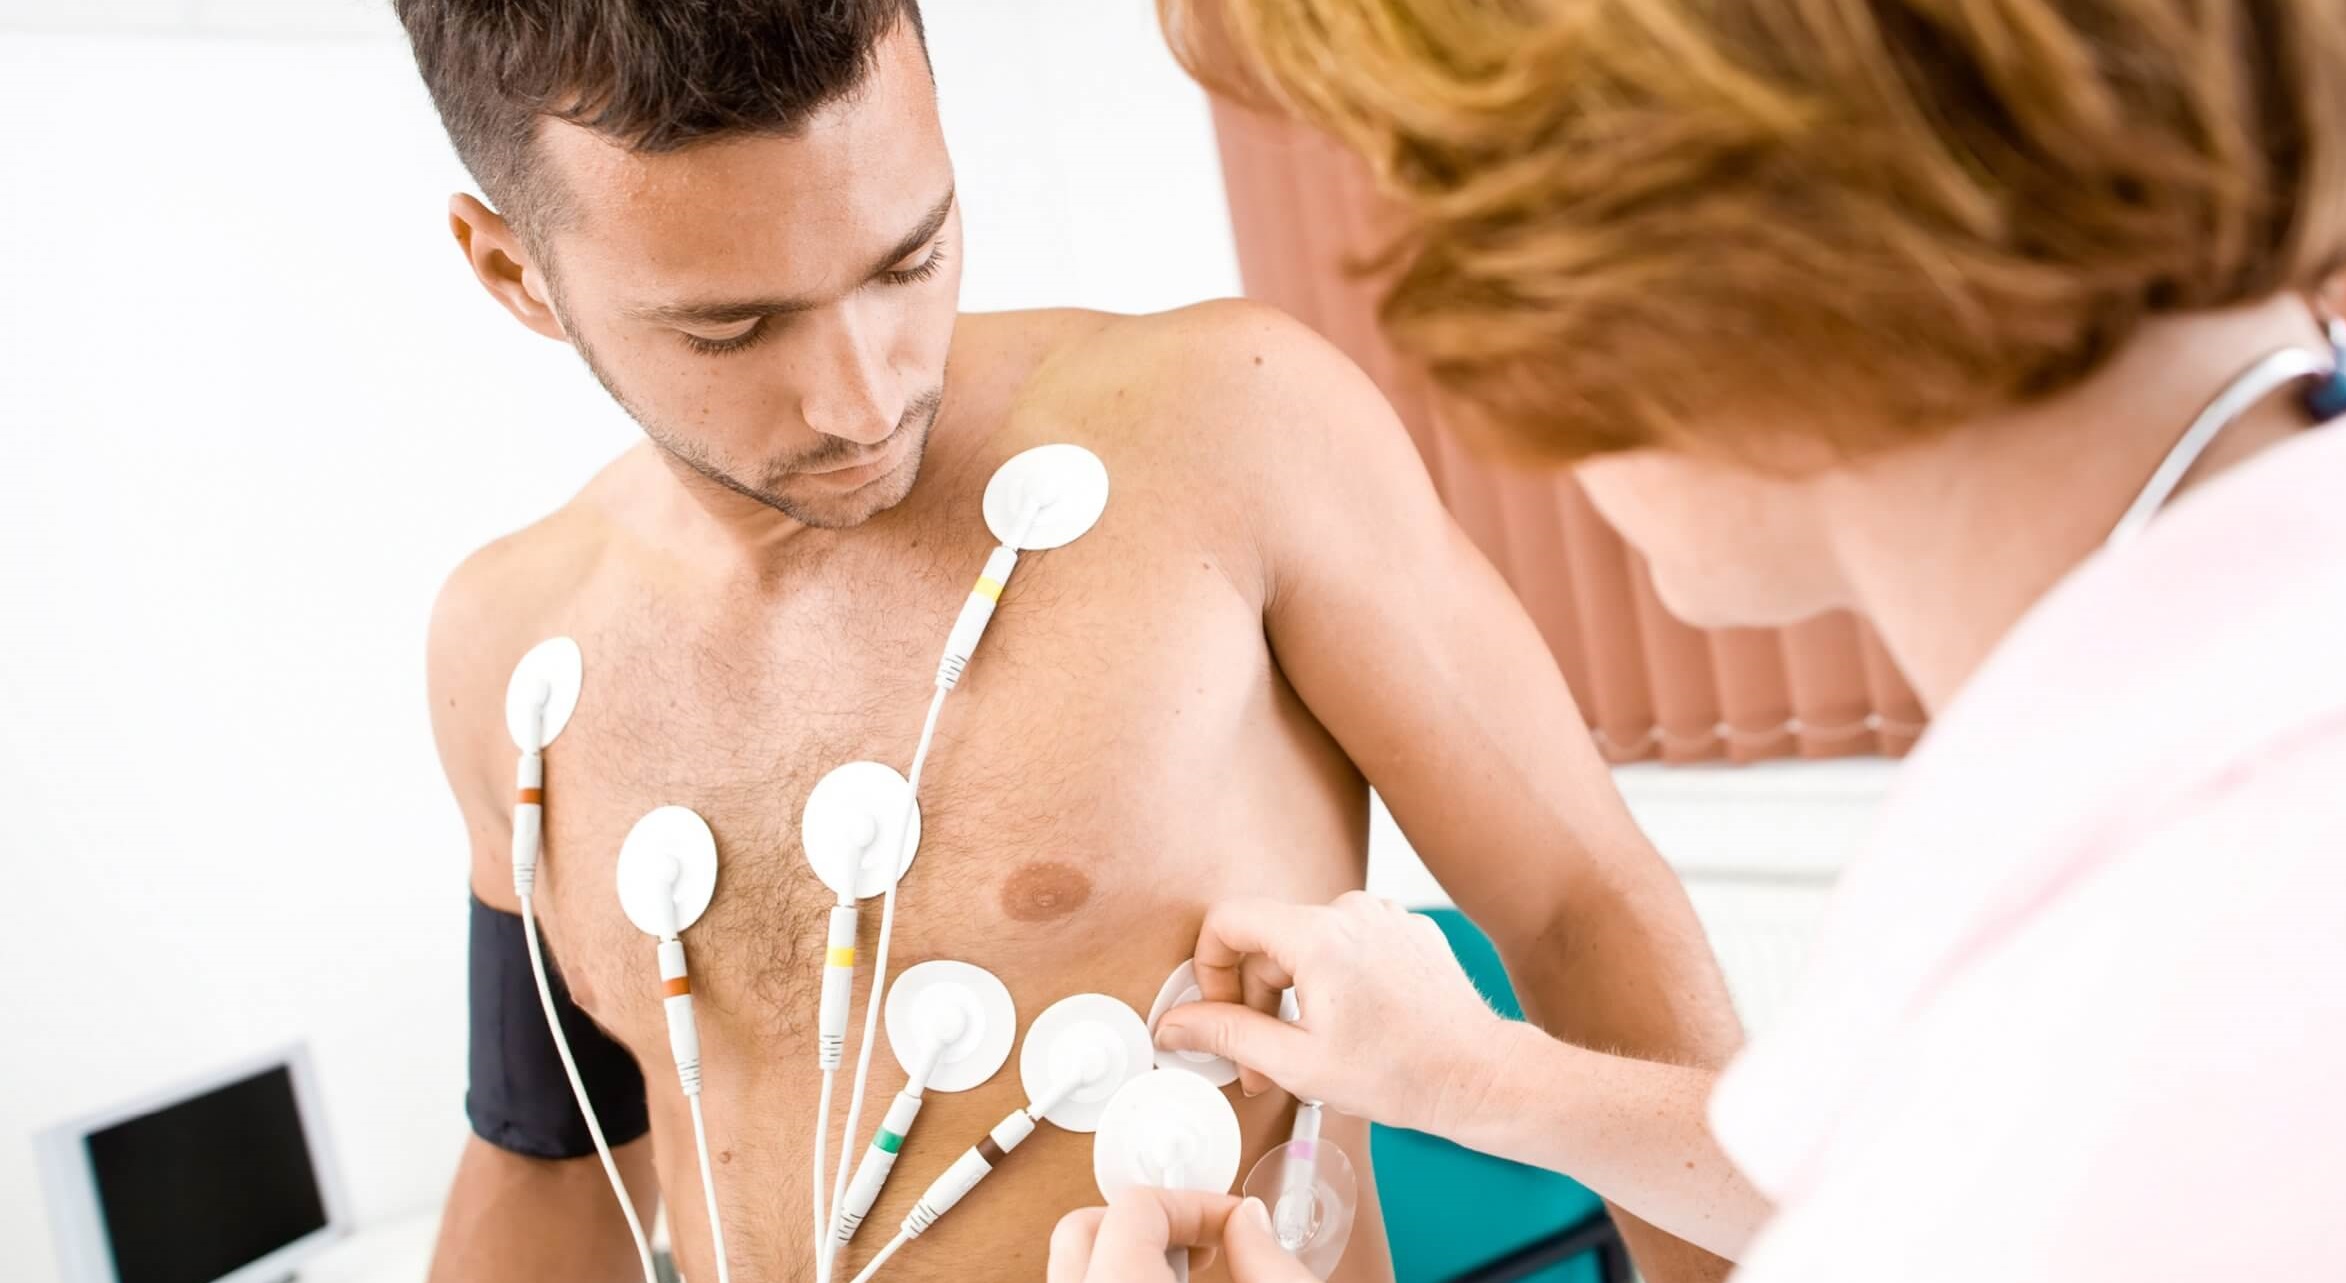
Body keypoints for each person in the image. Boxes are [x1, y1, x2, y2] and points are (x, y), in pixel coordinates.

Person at [1054, 0, 2346, 1278]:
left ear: (1697, 230)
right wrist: (1485, 1079)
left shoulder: (2146, 1049)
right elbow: (1906, 1160)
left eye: (1457, 205)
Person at [397, 2, 1743, 1281]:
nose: (866, 398)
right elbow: (549, 1150)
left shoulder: (1233, 431)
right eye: (732, 328)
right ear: (515, 269)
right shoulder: (508, 653)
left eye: (910, 259)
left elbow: (1577, 913)